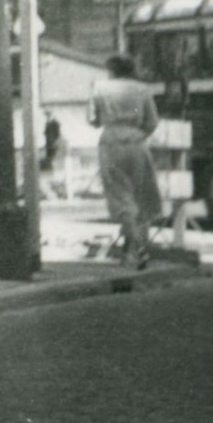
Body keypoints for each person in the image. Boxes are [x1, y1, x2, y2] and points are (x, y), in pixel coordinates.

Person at [88, 54, 162, 268]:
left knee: (120, 197)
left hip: (111, 142)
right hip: (137, 143)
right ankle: (133, 248)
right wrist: (137, 133)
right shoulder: (142, 89)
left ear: (112, 70)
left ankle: (136, 249)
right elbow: (152, 121)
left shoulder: (99, 88)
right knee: (141, 197)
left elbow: (92, 120)